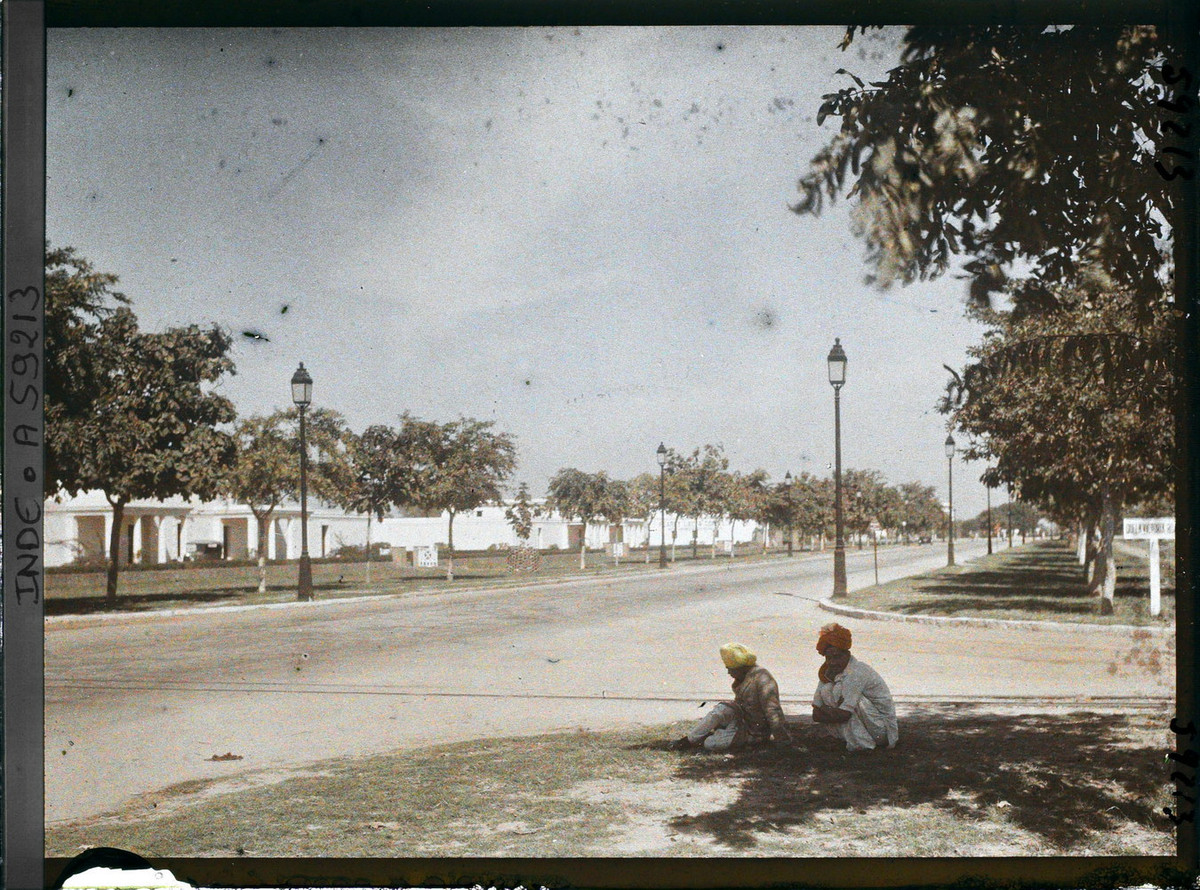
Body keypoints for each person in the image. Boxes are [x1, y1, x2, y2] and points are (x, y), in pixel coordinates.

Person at [674, 642, 792, 751]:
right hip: (742, 721)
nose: (729, 673)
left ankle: (710, 737)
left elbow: (773, 711)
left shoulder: (763, 680)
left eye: (730, 669)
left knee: (710, 744)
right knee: (722, 709)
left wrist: (782, 740)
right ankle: (689, 740)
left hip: (754, 732)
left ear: (740, 668)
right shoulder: (744, 677)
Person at [811, 623, 899, 752]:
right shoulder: (828, 672)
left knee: (848, 699)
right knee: (828, 690)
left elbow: (844, 715)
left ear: (847, 654)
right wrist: (835, 711)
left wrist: (827, 709)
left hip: (882, 731)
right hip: (865, 725)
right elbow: (815, 715)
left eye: (837, 657)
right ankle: (855, 741)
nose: (832, 662)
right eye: (829, 658)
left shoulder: (857, 671)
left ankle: (863, 745)